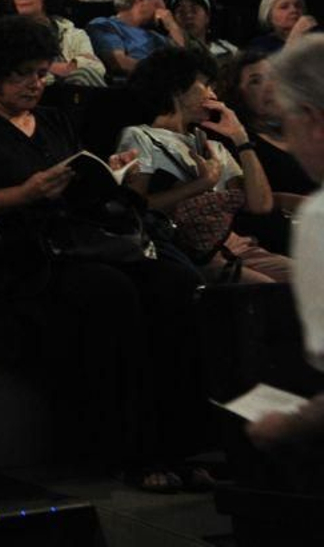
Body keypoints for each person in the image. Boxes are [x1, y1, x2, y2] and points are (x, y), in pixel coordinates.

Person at [0, 16, 202, 489]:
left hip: (76, 239)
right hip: (17, 254)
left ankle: (180, 444)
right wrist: (25, 192)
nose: (36, 84)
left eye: (40, 73)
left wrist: (111, 173)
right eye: (24, 74)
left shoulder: (55, 120)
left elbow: (82, 182)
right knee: (110, 292)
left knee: (174, 284)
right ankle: (125, 450)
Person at [118, 48, 289, 283]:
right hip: (190, 252)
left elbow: (260, 204)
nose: (213, 96)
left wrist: (240, 138)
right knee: (267, 290)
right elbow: (135, 209)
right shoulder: (141, 137)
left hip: (235, 245)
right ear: (178, 88)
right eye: (206, 85)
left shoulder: (211, 145)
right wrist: (203, 184)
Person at [247, 37, 324, 454]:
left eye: (285, 124)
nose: (288, 144)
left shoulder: (320, 216)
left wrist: (287, 425)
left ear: (313, 119)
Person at [221, 50, 315, 196]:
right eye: (256, 81)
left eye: (274, 76)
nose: (270, 87)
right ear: (238, 94)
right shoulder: (239, 143)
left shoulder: (305, 127)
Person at [8, 0, 106, 86]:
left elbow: (97, 67)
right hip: (34, 90)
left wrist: (66, 67)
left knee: (83, 75)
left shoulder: (71, 32)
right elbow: (13, 70)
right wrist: (57, 68)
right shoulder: (8, 34)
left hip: (74, 88)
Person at [86, 0, 185, 76]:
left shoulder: (159, 38)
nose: (163, 6)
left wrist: (173, 27)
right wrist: (163, 74)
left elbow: (185, 65)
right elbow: (119, 63)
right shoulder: (105, 25)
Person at [170, 0, 236, 60]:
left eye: (194, 10)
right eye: (181, 12)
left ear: (207, 17)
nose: (188, 16)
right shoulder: (166, 51)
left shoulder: (228, 51)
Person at [250, 0, 316, 54]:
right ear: (269, 16)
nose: (294, 10)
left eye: (298, 6)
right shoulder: (259, 45)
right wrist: (294, 37)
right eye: (284, 7)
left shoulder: (317, 38)